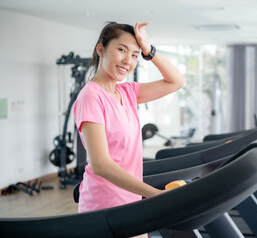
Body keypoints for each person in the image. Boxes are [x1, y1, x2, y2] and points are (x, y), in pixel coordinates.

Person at [73, 21, 186, 237]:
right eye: (122, 50)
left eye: (135, 55)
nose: (128, 60)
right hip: (104, 204)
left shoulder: (127, 92)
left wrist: (149, 50)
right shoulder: (91, 97)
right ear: (101, 50)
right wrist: (154, 194)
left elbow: (177, 81)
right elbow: (101, 165)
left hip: (130, 201)